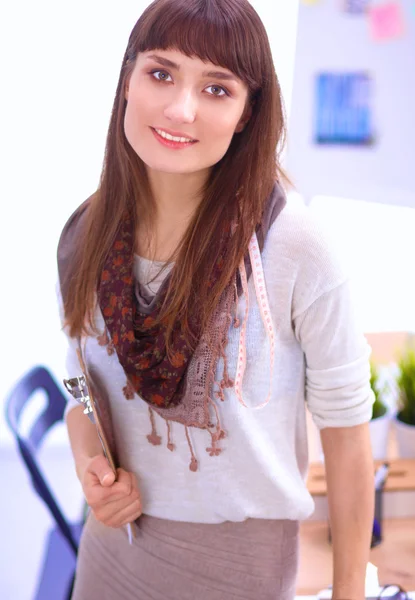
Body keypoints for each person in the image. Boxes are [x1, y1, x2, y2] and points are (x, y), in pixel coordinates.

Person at [56, 0, 376, 598]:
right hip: (110, 553)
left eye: (217, 88)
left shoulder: (297, 246)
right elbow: (79, 387)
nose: (181, 109)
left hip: (240, 568)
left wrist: (349, 591)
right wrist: (88, 467)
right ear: (128, 78)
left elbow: (349, 430)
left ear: (247, 112)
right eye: (161, 73)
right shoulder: (84, 234)